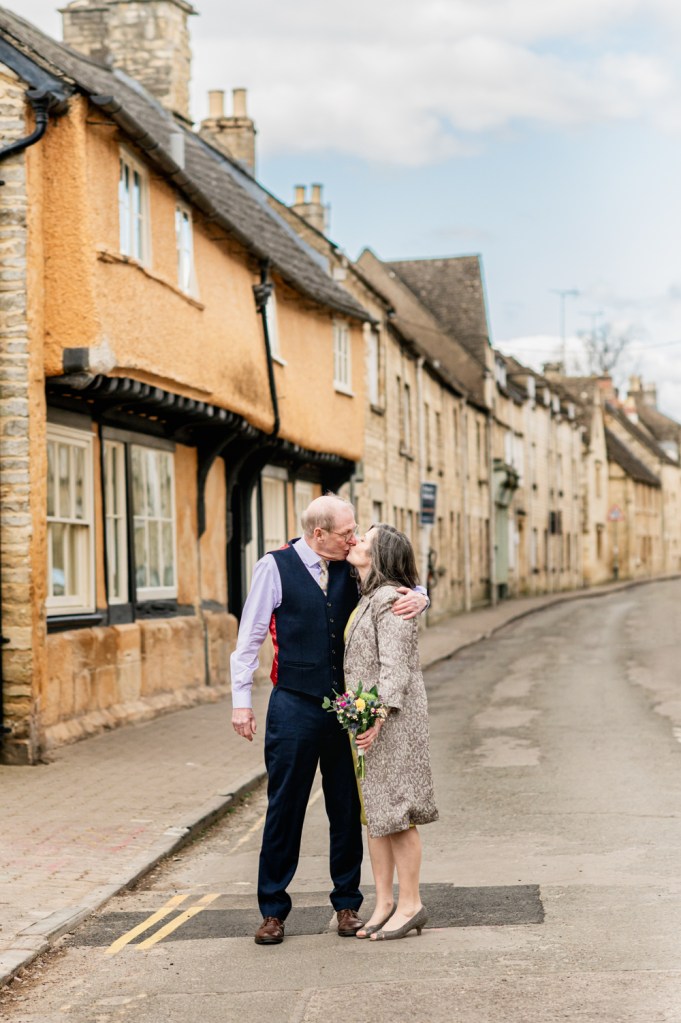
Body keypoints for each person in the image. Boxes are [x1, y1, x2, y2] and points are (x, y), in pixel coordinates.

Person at [230, 494, 428, 945]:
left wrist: (421, 596)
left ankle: (347, 904)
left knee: (345, 807)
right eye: (345, 533)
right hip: (293, 705)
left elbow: (395, 586)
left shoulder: (352, 567)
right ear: (318, 534)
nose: (354, 539)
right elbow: (249, 639)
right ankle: (274, 910)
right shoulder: (274, 567)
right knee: (285, 807)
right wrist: (241, 701)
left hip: (348, 708)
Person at [345, 524, 438, 941]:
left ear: (380, 556)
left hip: (393, 720)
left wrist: (378, 716)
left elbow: (395, 667)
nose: (355, 542)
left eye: (364, 539)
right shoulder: (369, 597)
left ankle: (411, 903)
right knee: (378, 814)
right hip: (370, 719)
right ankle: (384, 902)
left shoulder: (392, 601)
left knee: (398, 812)